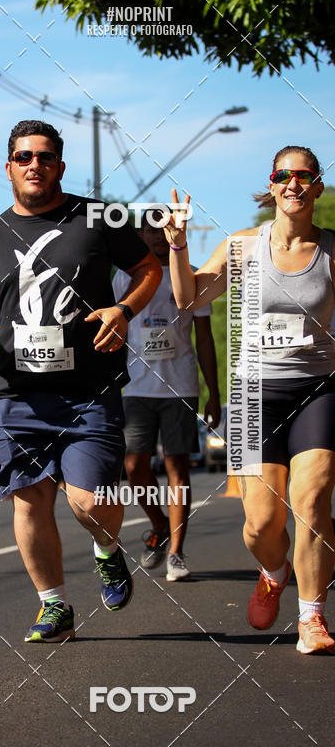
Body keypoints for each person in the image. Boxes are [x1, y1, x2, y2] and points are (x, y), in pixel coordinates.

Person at [0, 119, 162, 642]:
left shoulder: (99, 217)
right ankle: (54, 606)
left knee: (89, 501)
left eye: (44, 157)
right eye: (24, 157)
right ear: (9, 167)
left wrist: (124, 310)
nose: (34, 165)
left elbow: (149, 268)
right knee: (29, 498)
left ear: (60, 166)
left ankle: (107, 549)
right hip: (16, 394)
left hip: (89, 391)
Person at [166, 145, 335, 654]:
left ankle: (312, 617)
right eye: (284, 174)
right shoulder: (242, 246)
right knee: (262, 524)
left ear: (317, 186)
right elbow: (190, 298)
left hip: (318, 388)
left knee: (312, 502)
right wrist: (178, 246)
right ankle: (273, 572)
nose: (293, 183)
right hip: (254, 394)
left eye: (304, 175)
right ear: (273, 184)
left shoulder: (331, 250)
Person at [112, 210, 221, 581]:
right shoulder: (124, 278)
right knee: (134, 466)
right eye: (151, 230)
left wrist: (213, 392)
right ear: (141, 235)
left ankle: (176, 552)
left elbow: (204, 338)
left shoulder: (190, 276)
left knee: (177, 467)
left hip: (181, 388)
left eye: (165, 229)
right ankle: (159, 524)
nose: (159, 236)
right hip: (136, 388)